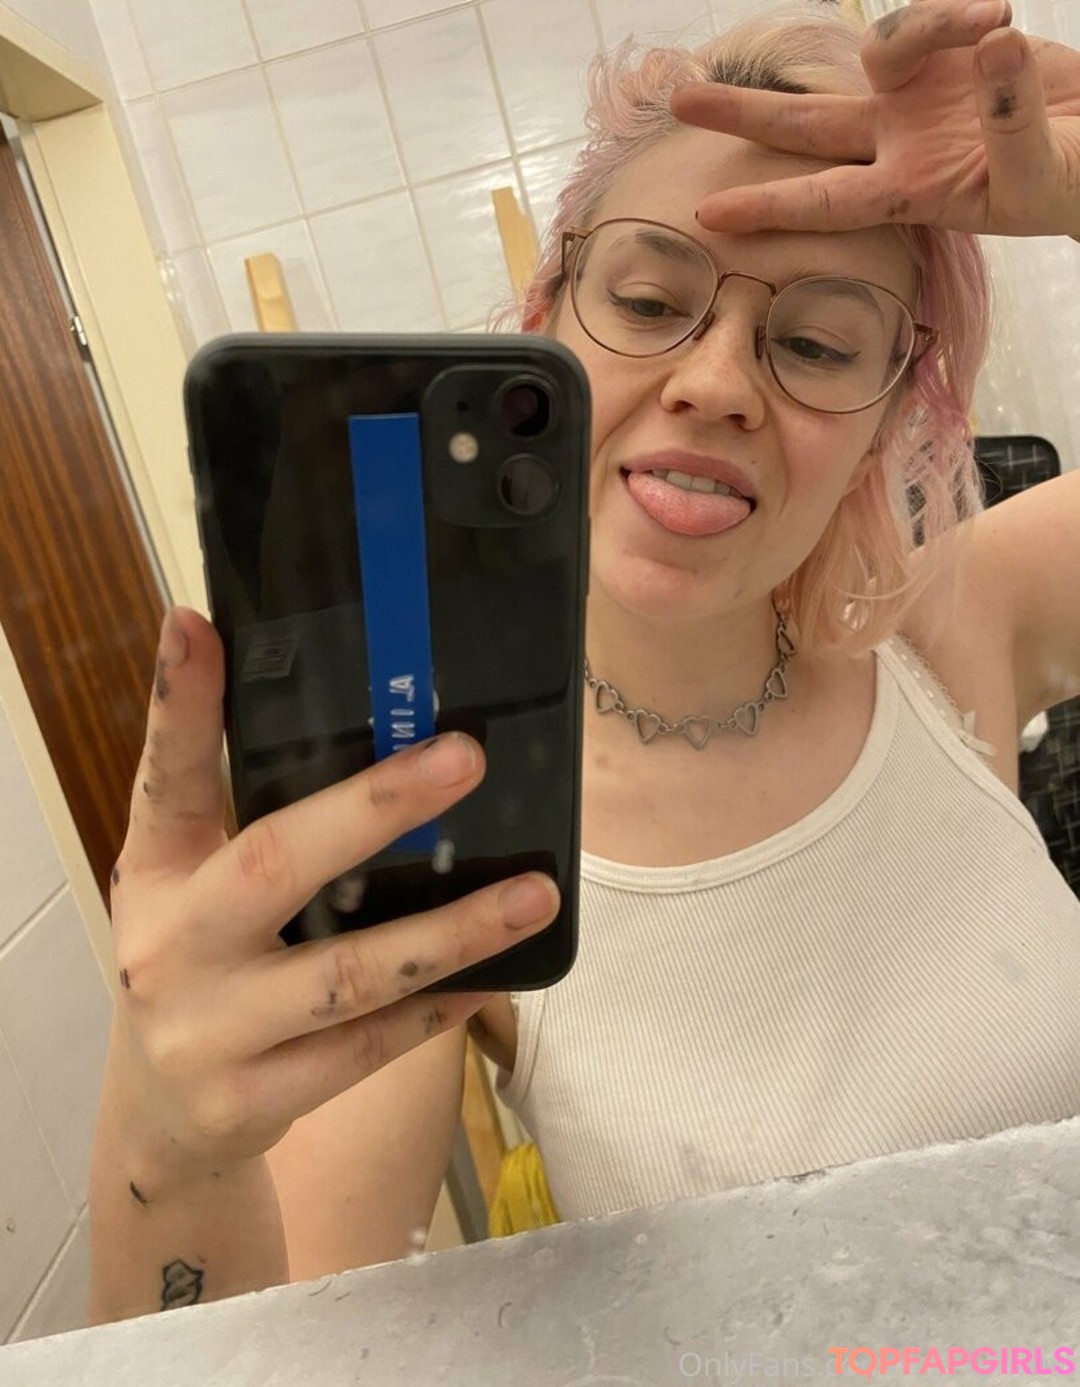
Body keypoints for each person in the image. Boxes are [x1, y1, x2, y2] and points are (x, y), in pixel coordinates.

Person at [89, 0, 1080, 1324]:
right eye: (650, 300)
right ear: (543, 324)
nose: (716, 382)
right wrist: (170, 1150)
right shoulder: (436, 816)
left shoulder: (958, 623)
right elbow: (264, 1344)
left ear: (889, 414)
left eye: (816, 342)